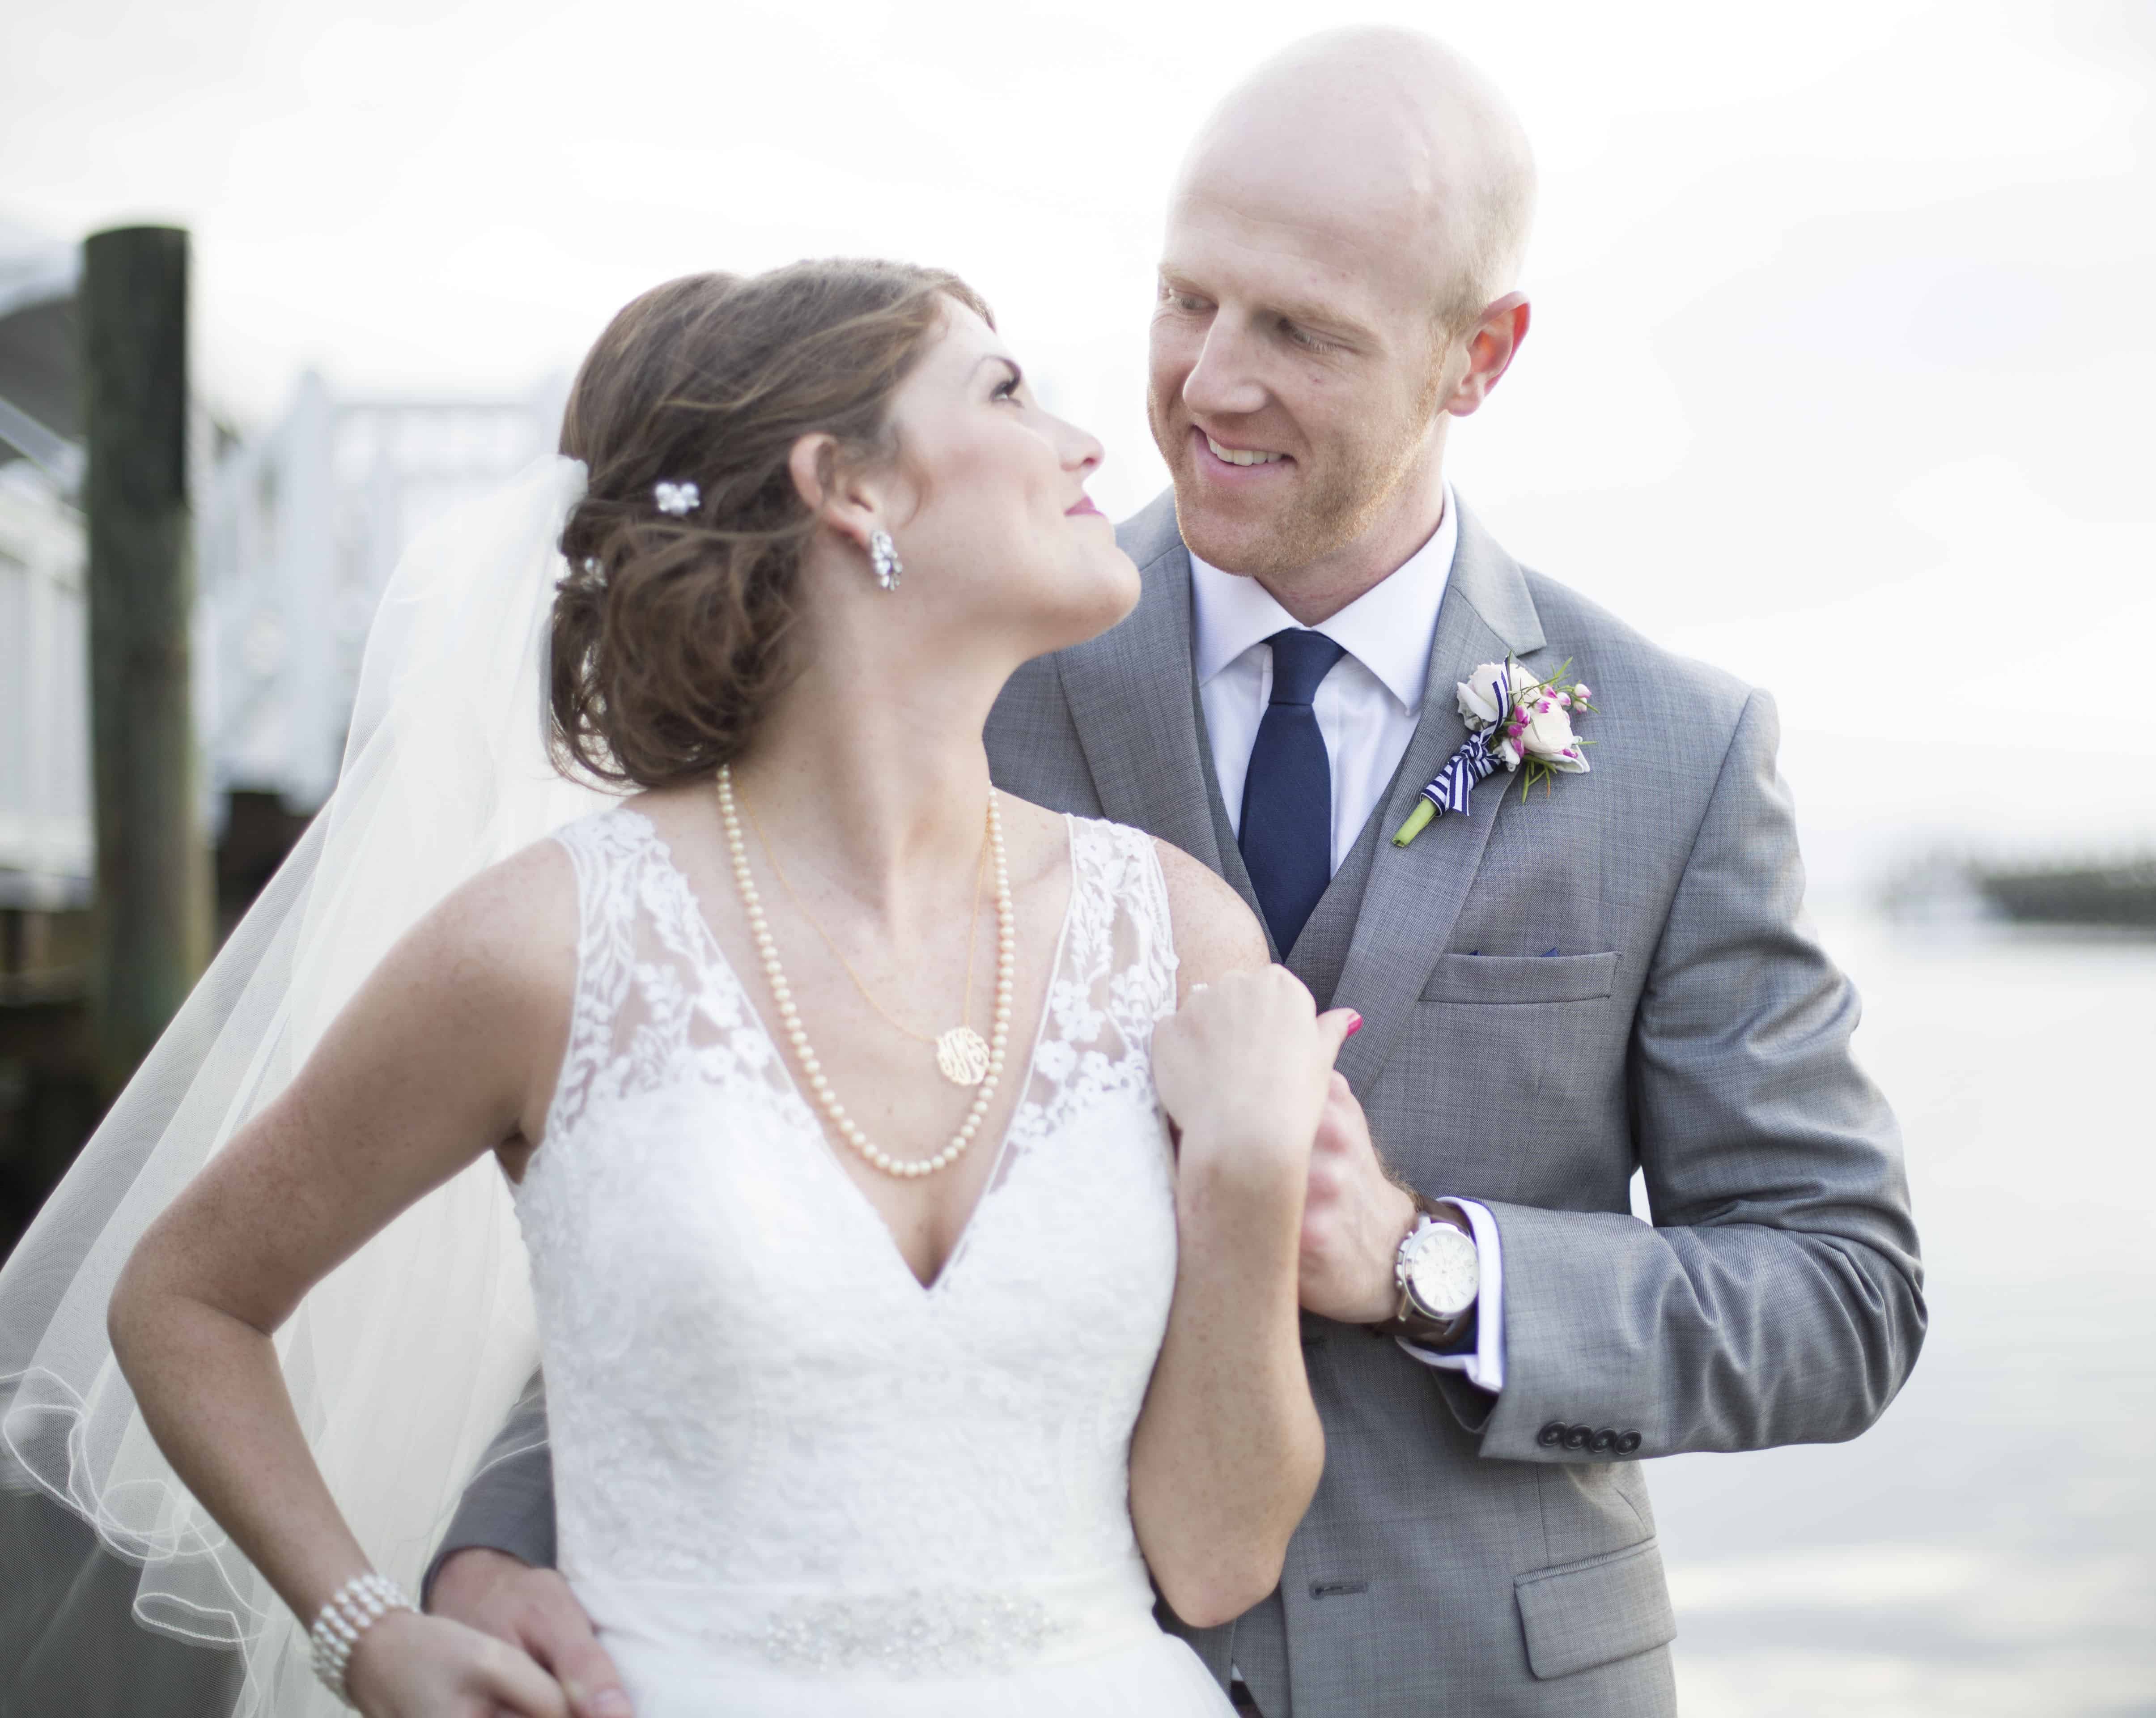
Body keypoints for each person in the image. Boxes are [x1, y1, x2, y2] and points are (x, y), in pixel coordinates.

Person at [433, 27, 1927, 1718]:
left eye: (1298, 329)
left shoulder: (1676, 750)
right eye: (1184, 298)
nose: (1208, 382)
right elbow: (680, 1180)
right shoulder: (955, 672)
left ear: (1478, 357)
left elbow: (1842, 1292)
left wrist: (1428, 1264)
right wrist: (502, 1532)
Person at [89, 258, 1350, 1717]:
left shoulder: (1177, 937)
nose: (1086, 444)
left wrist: (1251, 1181)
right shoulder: (545, 948)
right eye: (1005, 392)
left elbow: (1213, 1562)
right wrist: (365, 1630)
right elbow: (184, 1299)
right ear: (851, 491)